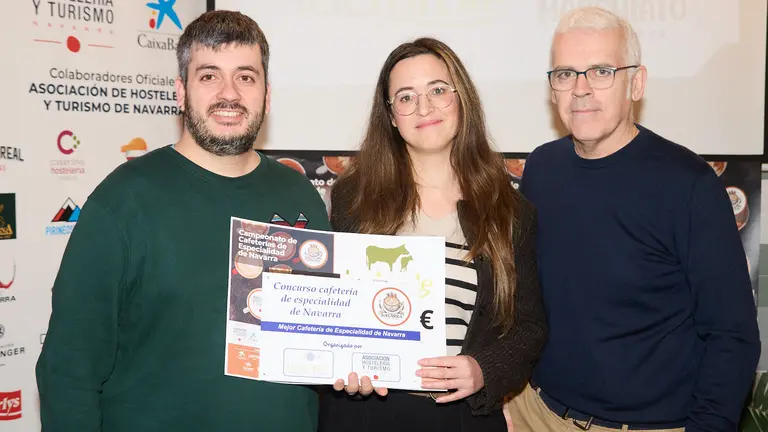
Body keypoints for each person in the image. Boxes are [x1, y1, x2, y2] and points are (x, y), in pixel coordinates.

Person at [36, 10, 330, 432]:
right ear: (180, 92)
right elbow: (68, 371)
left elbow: (322, 336)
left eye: (246, 77)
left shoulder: (300, 195)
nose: (229, 94)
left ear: (266, 96)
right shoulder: (123, 200)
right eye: (209, 76)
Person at [506, 6, 761, 432]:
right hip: (536, 413)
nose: (581, 89)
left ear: (636, 83)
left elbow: (732, 334)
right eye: (566, 74)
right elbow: (522, 299)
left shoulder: (689, 186)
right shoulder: (542, 169)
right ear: (552, 89)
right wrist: (507, 393)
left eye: (601, 71)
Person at [318, 37, 548, 432]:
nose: (424, 108)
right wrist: (342, 363)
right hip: (366, 413)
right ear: (391, 116)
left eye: (438, 90)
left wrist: (484, 369)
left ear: (462, 99)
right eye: (406, 97)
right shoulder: (352, 199)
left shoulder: (510, 212)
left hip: (460, 417)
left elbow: (529, 328)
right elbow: (331, 309)